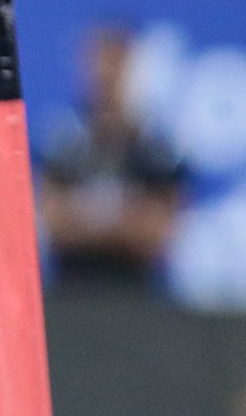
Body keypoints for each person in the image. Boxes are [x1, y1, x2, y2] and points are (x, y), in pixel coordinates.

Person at [38, 22, 189, 279]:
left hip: (137, 300)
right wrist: (126, 218)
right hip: (71, 297)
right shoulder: (63, 142)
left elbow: (158, 234)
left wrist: (86, 216)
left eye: (118, 63)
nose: (107, 75)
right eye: (100, 62)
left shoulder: (158, 150)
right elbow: (53, 224)